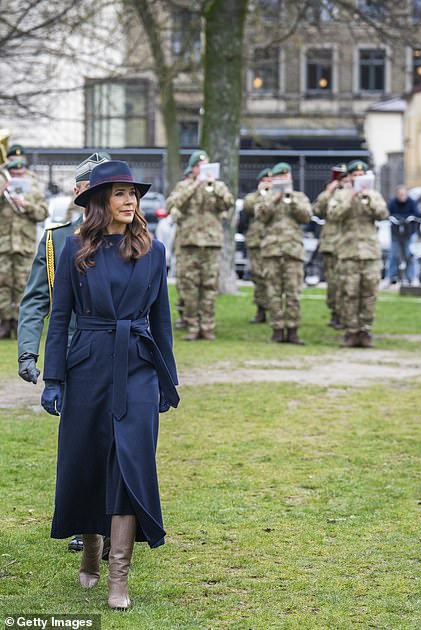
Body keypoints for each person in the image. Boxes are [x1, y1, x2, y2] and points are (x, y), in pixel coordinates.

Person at [40, 160, 179, 609]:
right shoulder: (75, 248)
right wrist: (54, 378)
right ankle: (92, 556)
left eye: (132, 194)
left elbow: (162, 322)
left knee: (130, 464)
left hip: (137, 365)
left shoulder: (153, 251)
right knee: (89, 460)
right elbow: (60, 317)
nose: (130, 201)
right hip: (88, 365)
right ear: (100, 201)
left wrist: (166, 381)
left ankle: (119, 575)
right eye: (120, 194)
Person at [17, 152, 110, 554]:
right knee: (81, 445)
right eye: (96, 188)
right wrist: (28, 354)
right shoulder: (57, 241)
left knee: (116, 442)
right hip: (71, 357)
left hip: (114, 353)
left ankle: (114, 524)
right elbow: (36, 300)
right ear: (78, 192)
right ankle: (86, 524)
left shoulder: (128, 238)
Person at [166, 150, 234, 340]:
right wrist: (195, 185)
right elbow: (172, 204)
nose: (204, 170)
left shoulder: (217, 186)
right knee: (190, 288)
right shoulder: (184, 185)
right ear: (194, 168)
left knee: (209, 287)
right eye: (200, 167)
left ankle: (208, 326)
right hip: (189, 243)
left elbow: (228, 204)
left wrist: (216, 188)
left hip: (211, 244)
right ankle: (192, 326)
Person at [327, 159, 388, 348]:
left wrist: (368, 198)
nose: (359, 178)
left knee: (369, 293)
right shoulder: (341, 195)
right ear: (350, 178)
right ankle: (351, 331)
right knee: (349, 293)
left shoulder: (374, 195)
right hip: (348, 251)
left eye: (362, 175)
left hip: (370, 252)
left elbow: (383, 214)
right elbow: (333, 215)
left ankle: (365, 331)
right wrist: (350, 197)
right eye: (355, 176)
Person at [256, 161, 311, 344]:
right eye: (279, 177)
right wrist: (274, 198)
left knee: (293, 293)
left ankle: (293, 330)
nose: (283, 180)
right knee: (273, 293)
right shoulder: (266, 197)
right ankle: (277, 329)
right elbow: (260, 216)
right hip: (272, 251)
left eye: (285, 177)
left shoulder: (299, 196)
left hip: (293, 251)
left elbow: (306, 217)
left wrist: (292, 200)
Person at [0, 144, 48, 338]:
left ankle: (20, 323)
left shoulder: (34, 182)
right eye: (13, 162)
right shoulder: (2, 180)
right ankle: (4, 322)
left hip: (25, 243)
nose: (17, 168)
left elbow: (43, 212)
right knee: (2, 284)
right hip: (3, 243)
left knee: (23, 284)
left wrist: (26, 205)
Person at [313, 164, 346, 328]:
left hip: (350, 244)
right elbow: (318, 209)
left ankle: (350, 315)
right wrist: (329, 191)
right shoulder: (330, 195)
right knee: (333, 282)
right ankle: (335, 312)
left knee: (348, 282)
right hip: (332, 244)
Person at [242, 167, 272, 324]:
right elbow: (248, 208)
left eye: (270, 181)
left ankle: (275, 310)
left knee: (272, 277)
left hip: (274, 242)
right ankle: (261, 309)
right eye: (265, 181)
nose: (268, 183)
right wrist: (262, 195)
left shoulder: (278, 196)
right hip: (257, 243)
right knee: (258, 276)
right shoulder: (253, 197)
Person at [386, 185, 420, 285]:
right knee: (393, 255)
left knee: (410, 255)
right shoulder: (392, 203)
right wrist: (396, 218)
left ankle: (413, 278)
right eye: (400, 195)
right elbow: (388, 213)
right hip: (396, 233)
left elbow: (417, 214)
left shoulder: (412, 202)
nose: (402, 197)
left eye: (404, 195)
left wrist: (407, 219)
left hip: (409, 233)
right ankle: (390, 277)